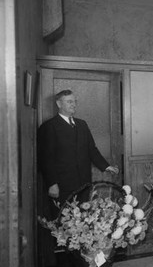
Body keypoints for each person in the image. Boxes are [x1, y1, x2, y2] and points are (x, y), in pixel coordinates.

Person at [38, 89, 119, 219]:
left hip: (83, 183)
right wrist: (52, 184)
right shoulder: (49, 127)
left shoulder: (82, 124)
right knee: (62, 222)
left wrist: (106, 166)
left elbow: (91, 149)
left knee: (82, 220)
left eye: (75, 101)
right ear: (59, 104)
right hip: (61, 186)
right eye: (69, 101)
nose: (73, 104)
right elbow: (45, 159)